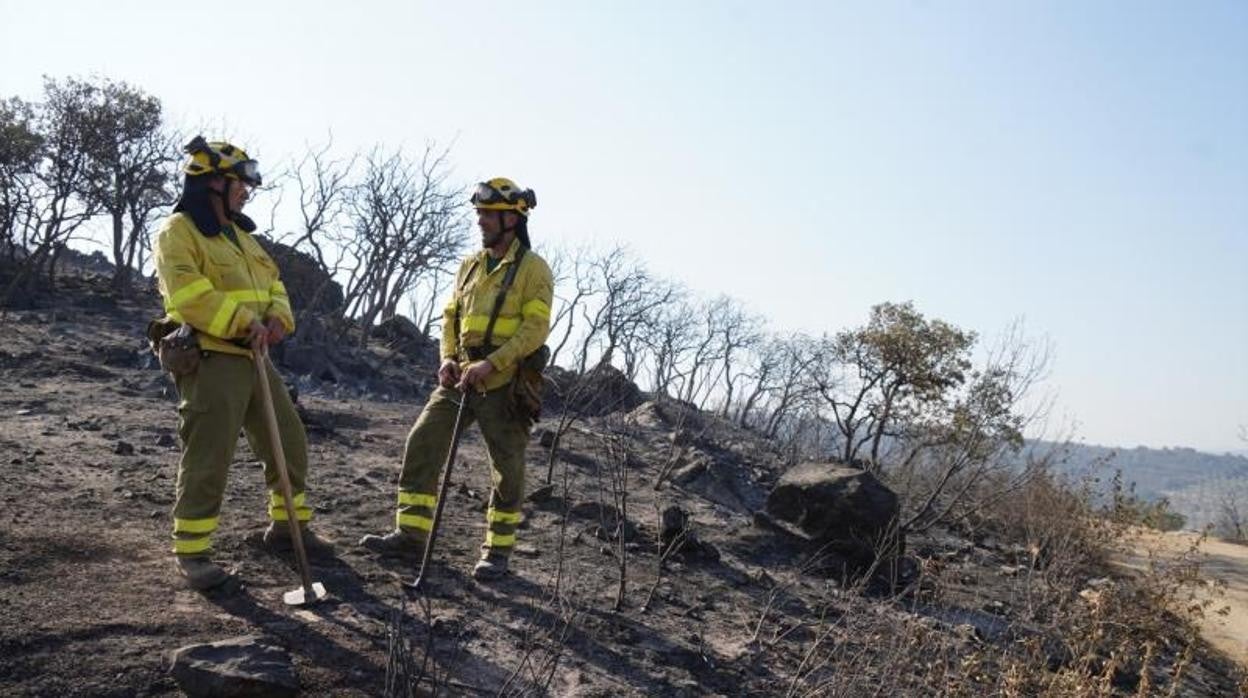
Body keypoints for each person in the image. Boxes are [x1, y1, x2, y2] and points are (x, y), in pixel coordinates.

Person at [360, 177, 553, 581]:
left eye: (489, 215)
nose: (480, 221)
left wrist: (493, 364)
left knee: (508, 469)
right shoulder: (470, 266)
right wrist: (447, 357)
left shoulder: (534, 269)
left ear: (512, 220)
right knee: (422, 441)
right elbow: (451, 316)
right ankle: (410, 535)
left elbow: (535, 328)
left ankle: (497, 553)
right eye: (480, 214)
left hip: (504, 383)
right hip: (460, 379)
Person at [153, 136, 322, 591]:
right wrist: (245, 322)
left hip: (256, 358)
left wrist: (278, 317)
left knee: (288, 441)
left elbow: (274, 284)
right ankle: (192, 553)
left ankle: (288, 529)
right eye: (238, 184)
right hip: (213, 358)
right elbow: (188, 296)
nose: (245, 193)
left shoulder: (243, 238)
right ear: (213, 184)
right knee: (209, 456)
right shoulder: (177, 232)